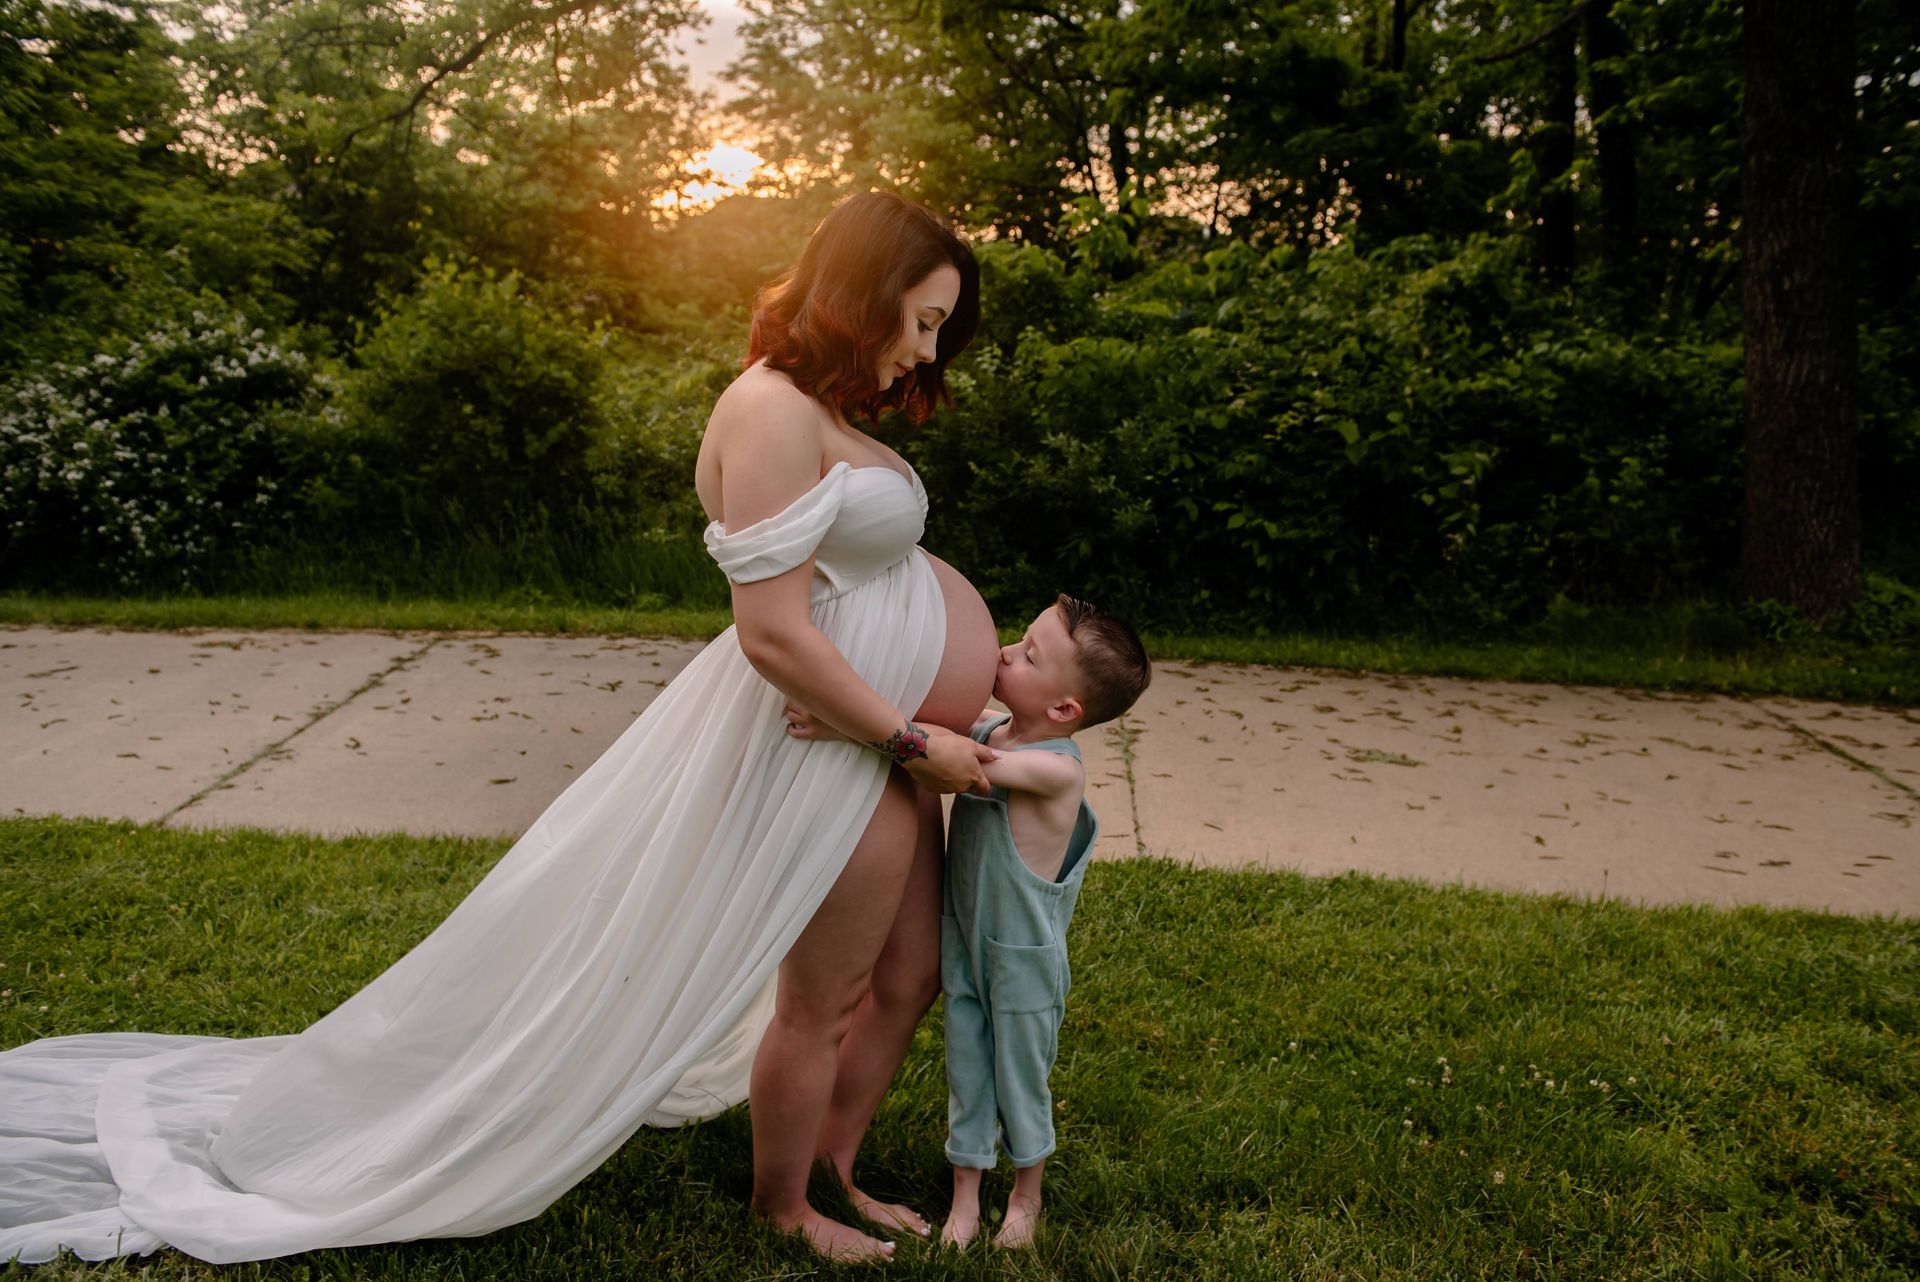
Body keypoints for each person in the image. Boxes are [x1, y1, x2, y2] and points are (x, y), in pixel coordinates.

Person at [0, 191, 1003, 1267]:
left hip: (882, 728)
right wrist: (910, 740)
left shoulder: (823, 413)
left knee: (907, 973)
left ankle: (836, 1168)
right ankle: (787, 1206)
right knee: (827, 994)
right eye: (923, 320)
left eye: (939, 328)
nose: (924, 351)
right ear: (863, 291)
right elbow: (771, 631)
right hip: (847, 739)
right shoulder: (769, 409)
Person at [786, 594, 1152, 1250]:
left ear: (1064, 710)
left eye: (1028, 655)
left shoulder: (1055, 770)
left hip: (1022, 960)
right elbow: (937, 731)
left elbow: (952, 760)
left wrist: (843, 725)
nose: (1005, 653)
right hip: (965, 940)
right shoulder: (994, 730)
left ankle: (1026, 1194)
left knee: (1019, 1075)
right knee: (969, 1070)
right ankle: (965, 1200)